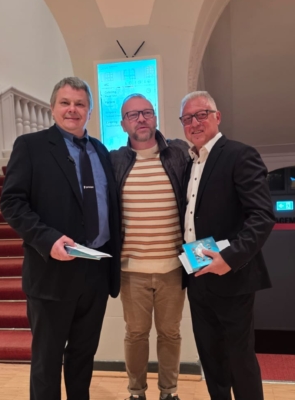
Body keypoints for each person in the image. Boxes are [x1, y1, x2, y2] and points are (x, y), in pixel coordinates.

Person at [0, 77, 121, 400]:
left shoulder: (101, 151)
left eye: (80, 104)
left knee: (83, 357)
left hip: (96, 272)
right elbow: (12, 203)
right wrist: (47, 239)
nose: (72, 109)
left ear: (90, 111)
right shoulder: (31, 147)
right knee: (47, 361)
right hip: (51, 272)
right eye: (65, 103)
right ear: (52, 108)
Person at [180, 91, 275, 400]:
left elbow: (262, 216)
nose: (194, 123)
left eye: (201, 115)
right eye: (187, 118)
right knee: (211, 359)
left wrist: (230, 258)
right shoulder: (189, 164)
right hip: (197, 276)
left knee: (239, 360)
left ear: (217, 117)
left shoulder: (239, 155)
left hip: (232, 276)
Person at [110, 94, 189, 400]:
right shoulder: (114, 161)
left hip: (173, 268)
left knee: (170, 334)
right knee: (135, 334)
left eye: (146, 112)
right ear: (123, 124)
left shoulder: (178, 154)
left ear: (155, 117)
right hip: (131, 270)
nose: (141, 119)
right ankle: (136, 393)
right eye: (133, 115)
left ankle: (169, 393)